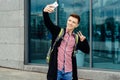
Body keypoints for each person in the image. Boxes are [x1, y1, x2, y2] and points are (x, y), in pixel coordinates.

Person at [43, 3, 90, 80]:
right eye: (69, 20)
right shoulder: (58, 32)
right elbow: (48, 23)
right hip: (56, 71)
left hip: (69, 73)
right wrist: (45, 12)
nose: (70, 23)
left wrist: (84, 41)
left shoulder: (76, 38)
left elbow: (87, 50)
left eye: (73, 22)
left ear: (77, 25)